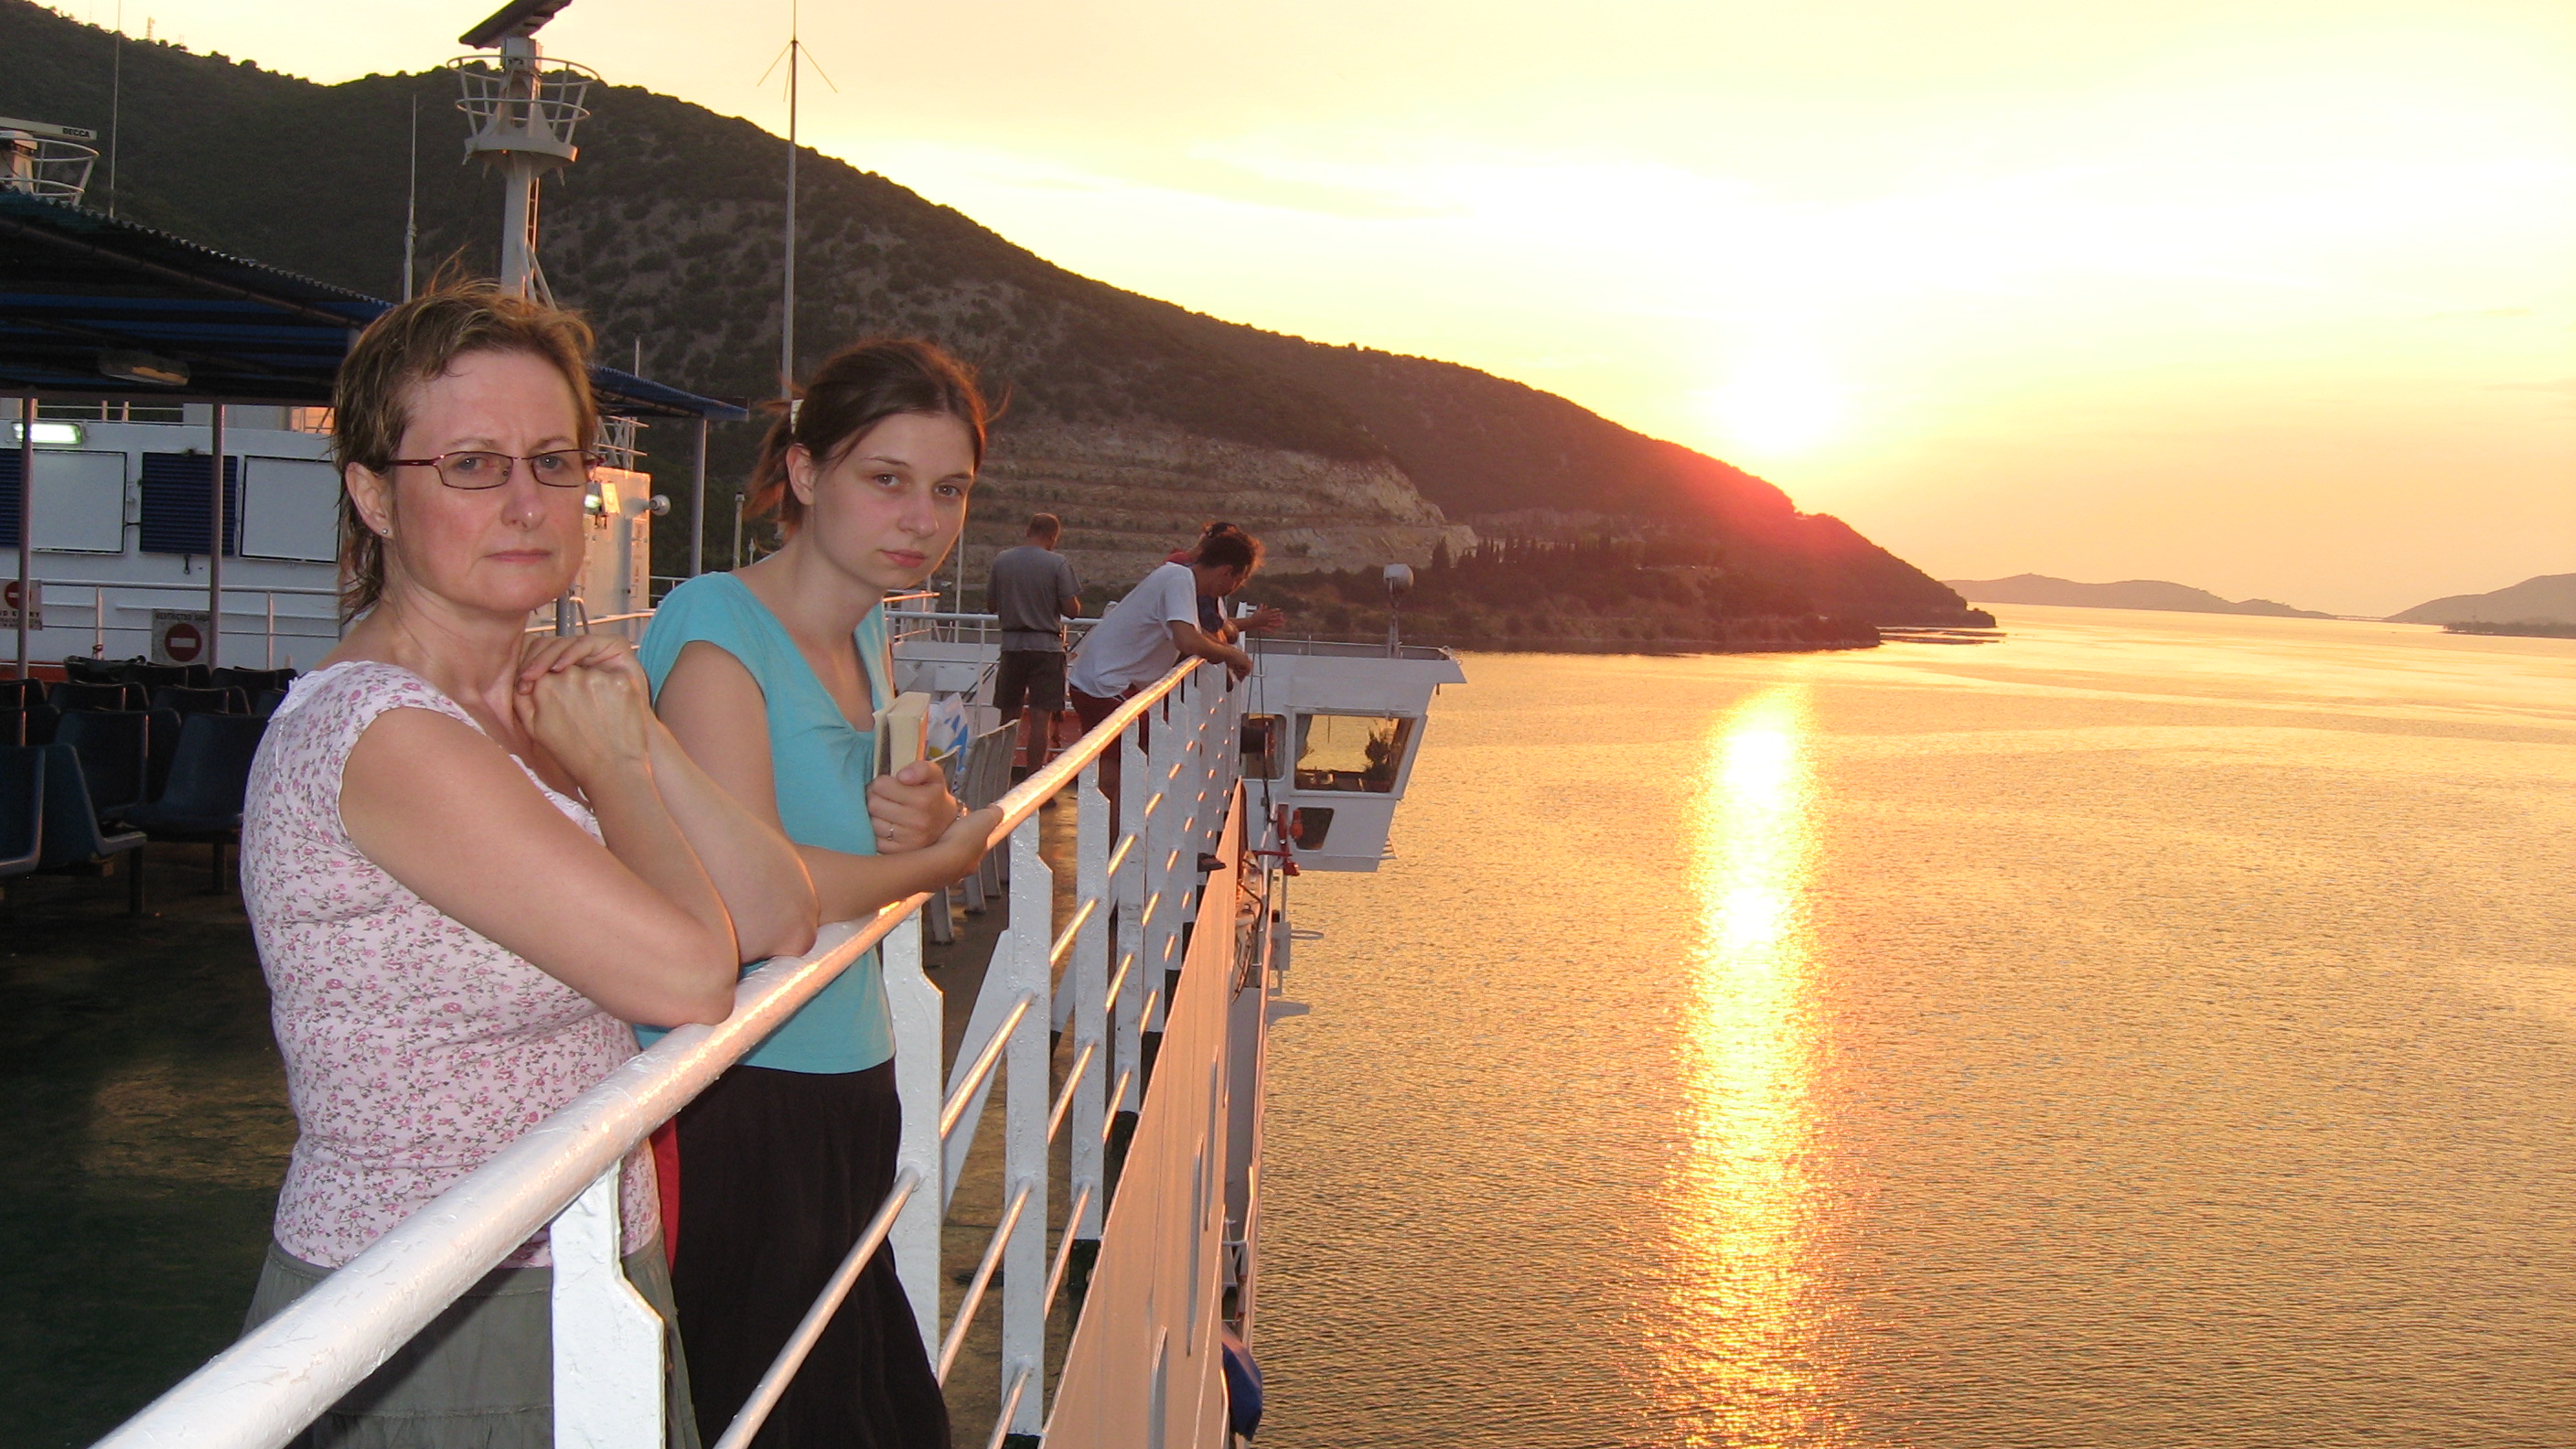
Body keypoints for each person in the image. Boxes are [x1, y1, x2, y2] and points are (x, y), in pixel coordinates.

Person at [240, 283, 820, 1448]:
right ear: (373, 495)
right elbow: (688, 979)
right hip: (437, 1305)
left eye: (553, 463)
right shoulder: (380, 736)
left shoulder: (536, 699)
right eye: (470, 465)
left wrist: (635, 737)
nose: (524, 503)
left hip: (589, 1258)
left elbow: (778, 914)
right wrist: (613, 771)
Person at [642, 338, 1001, 1449]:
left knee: (871, 1409)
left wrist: (925, 814)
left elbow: (848, 824)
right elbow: (755, 892)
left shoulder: (865, 628)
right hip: (740, 1093)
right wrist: (939, 864)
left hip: (849, 1076)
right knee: (773, 1412)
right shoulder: (716, 632)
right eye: (885, 479)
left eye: (948, 490)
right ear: (803, 473)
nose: (921, 519)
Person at [1066, 528, 1263, 814]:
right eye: (1239, 580)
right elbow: (1187, 639)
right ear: (1227, 572)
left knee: (1113, 773)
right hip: (1108, 686)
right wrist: (1232, 655)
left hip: (1094, 681)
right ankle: (1134, 835)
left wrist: (1225, 653)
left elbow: (1195, 633)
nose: (1234, 587)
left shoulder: (1177, 577)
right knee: (1181, 750)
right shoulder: (1179, 580)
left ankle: (1111, 837)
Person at [985, 512, 1081, 777]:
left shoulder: (1002, 560)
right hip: (1046, 648)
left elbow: (991, 604)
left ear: (1028, 530)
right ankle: (1034, 778)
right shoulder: (1057, 564)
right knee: (1041, 720)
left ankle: (1000, 777)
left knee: (1007, 718)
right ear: (1053, 536)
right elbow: (1072, 610)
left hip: (1011, 646)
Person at [1166, 521, 1285, 640]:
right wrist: (1247, 624)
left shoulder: (1190, 574)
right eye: (1238, 579)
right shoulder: (1187, 578)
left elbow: (1213, 623)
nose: (1234, 587)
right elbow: (1209, 629)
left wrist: (1247, 623)